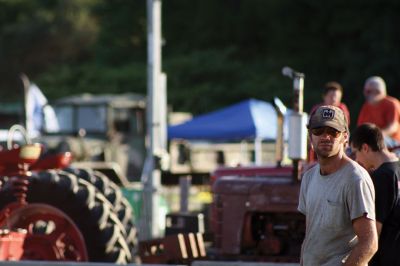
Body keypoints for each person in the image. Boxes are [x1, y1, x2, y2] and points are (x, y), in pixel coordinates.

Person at [298, 105, 378, 265]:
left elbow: (369, 244)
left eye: (333, 132)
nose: (325, 137)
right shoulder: (308, 178)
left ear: (345, 137)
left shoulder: (355, 179)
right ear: (309, 136)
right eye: (318, 131)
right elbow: (311, 236)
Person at [350, 123, 400, 266]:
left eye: (355, 153)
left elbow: (373, 232)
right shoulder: (397, 167)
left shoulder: (381, 177)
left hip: (386, 258)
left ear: (365, 148)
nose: (356, 160)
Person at [357, 76, 400, 148]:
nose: (366, 94)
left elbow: (393, 127)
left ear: (379, 91)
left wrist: (374, 137)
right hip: (372, 140)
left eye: (369, 91)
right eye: (366, 91)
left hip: (392, 141)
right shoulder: (366, 106)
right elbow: (361, 128)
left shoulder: (392, 103)